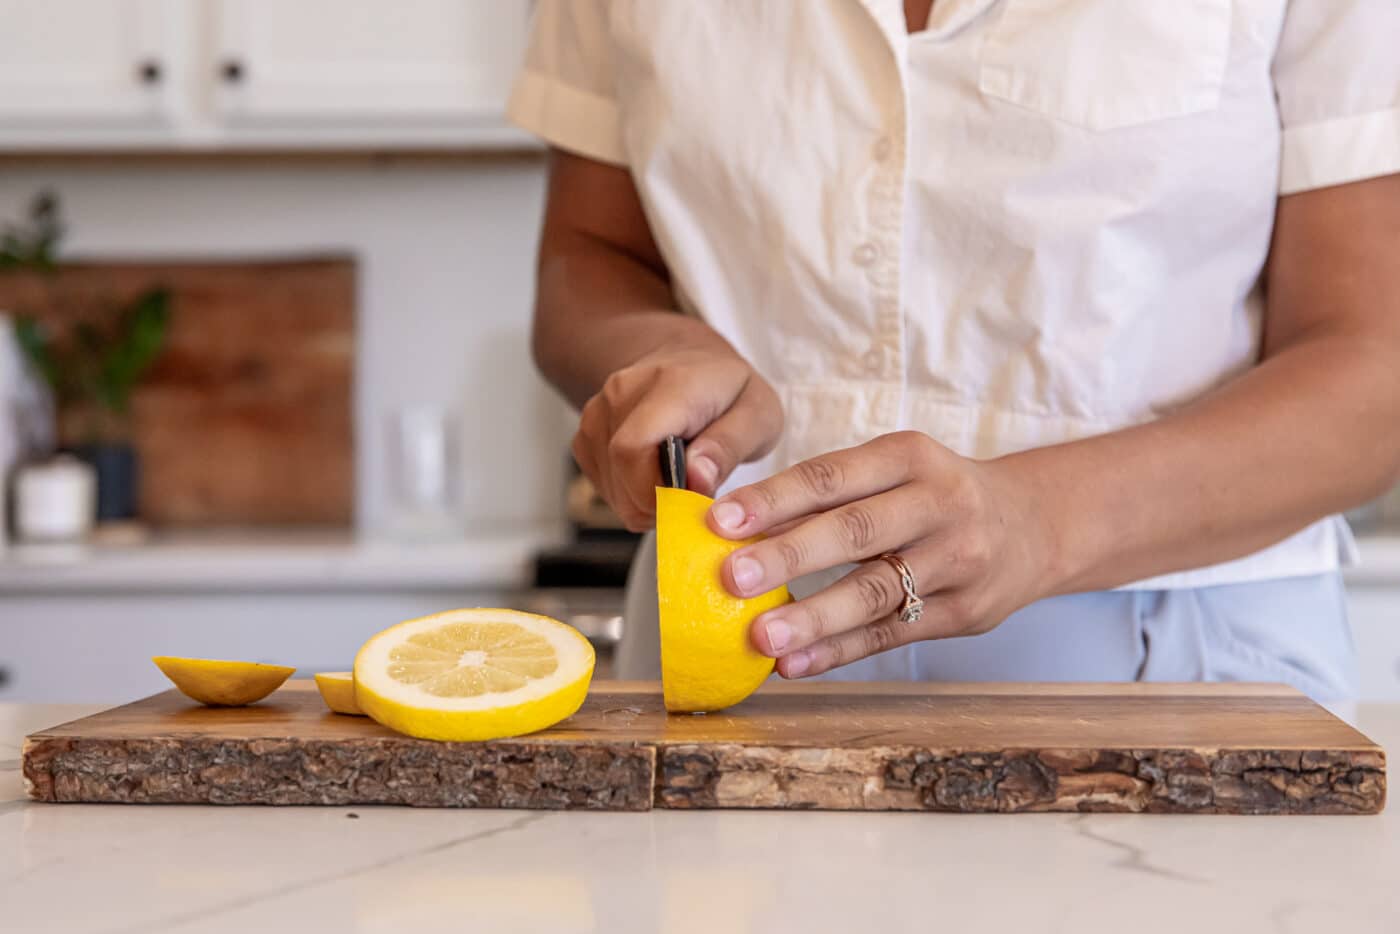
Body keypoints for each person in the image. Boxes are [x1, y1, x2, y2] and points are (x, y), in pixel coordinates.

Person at [508, 0, 1400, 700]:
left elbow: (1374, 365)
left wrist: (1042, 518)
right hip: (733, 646)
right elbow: (586, 258)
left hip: (1182, 659)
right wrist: (661, 347)